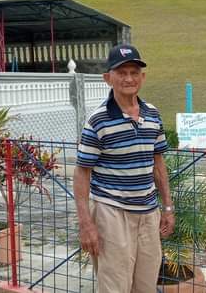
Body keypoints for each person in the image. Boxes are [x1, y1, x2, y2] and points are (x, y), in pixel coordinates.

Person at [73, 44, 175, 292]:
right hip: (112, 213)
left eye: (134, 72)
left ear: (142, 77)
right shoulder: (97, 121)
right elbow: (81, 173)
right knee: (115, 286)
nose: (128, 78)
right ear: (108, 78)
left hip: (148, 214)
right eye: (121, 72)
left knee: (146, 285)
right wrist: (86, 224)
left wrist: (168, 207)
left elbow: (158, 163)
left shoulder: (153, 114)